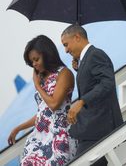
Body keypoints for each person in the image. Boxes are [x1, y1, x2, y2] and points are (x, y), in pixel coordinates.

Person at [8, 35, 77, 165]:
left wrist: (38, 86)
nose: (34, 64)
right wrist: (18, 128)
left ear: (47, 54)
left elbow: (54, 105)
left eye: (36, 59)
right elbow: (44, 113)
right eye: (31, 62)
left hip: (59, 135)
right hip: (40, 136)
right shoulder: (42, 79)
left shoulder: (64, 74)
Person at [61, 24, 123, 165]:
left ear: (77, 37)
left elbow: (107, 83)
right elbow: (94, 83)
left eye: (66, 44)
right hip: (93, 128)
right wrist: (80, 69)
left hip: (98, 127)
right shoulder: (87, 59)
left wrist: (82, 101)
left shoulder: (95, 55)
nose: (65, 50)